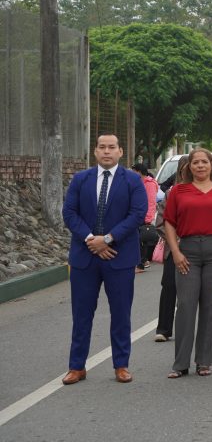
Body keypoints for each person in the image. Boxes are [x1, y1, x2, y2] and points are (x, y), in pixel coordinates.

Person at [61, 133, 148, 385]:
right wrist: (92, 240)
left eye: (112, 147)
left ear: (121, 151)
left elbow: (138, 214)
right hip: (84, 257)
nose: (106, 151)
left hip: (119, 257)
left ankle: (121, 365)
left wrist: (107, 239)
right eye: (102, 147)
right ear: (95, 152)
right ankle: (76, 367)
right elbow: (69, 212)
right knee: (82, 314)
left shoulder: (132, 180)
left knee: (121, 313)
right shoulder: (80, 179)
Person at [163, 148, 212, 378]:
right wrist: (175, 252)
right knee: (186, 305)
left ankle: (204, 361)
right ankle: (180, 364)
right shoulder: (178, 191)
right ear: (189, 167)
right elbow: (169, 223)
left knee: (210, 306)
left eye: (204, 162)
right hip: (187, 252)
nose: (199, 166)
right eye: (195, 162)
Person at [154, 155, 188, 342]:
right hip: (173, 249)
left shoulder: (205, 192)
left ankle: (189, 328)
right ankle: (164, 329)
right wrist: (175, 243)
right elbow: (161, 222)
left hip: (197, 249)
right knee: (169, 286)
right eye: (185, 168)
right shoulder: (171, 193)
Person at [131, 162, 159, 273]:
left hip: (143, 216)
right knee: (138, 241)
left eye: (134, 171)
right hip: (137, 215)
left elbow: (151, 202)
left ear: (139, 172)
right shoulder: (138, 182)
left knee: (141, 241)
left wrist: (148, 218)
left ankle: (140, 265)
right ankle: (143, 262)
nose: (132, 173)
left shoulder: (149, 184)